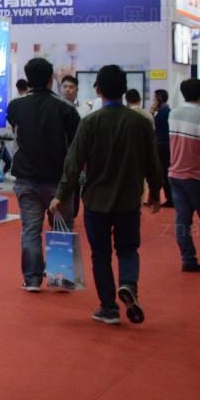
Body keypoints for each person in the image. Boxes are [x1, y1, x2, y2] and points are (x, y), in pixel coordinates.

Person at [54, 65, 164, 326]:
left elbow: (73, 163)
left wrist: (61, 195)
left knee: (100, 254)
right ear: (124, 90)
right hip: (129, 199)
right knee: (128, 249)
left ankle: (108, 307)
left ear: (98, 90)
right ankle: (128, 284)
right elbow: (153, 162)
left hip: (96, 200)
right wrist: (155, 192)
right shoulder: (140, 122)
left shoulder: (90, 122)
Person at [5, 57, 80, 291]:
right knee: (61, 228)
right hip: (59, 181)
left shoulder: (15, 106)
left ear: (28, 79)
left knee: (30, 230)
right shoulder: (66, 108)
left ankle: (32, 279)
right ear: (51, 79)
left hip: (26, 178)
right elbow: (75, 146)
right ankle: (61, 278)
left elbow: (15, 132)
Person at [167, 78, 200, 273]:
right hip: (197, 176)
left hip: (175, 174)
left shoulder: (174, 113)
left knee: (182, 220)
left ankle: (188, 259)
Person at [152, 89, 172, 188]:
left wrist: (152, 113)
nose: (153, 101)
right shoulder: (165, 111)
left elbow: (153, 126)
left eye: (154, 99)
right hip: (165, 143)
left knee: (163, 171)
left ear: (159, 99)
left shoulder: (163, 112)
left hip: (162, 144)